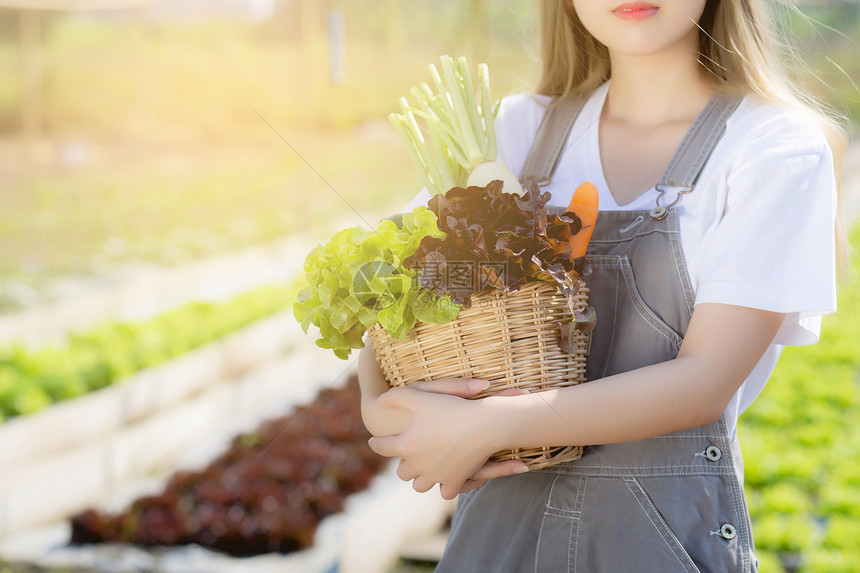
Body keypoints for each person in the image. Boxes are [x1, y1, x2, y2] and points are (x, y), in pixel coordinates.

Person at [358, 1, 847, 571]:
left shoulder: (772, 148)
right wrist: (378, 403)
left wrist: (498, 421)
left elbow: (704, 381)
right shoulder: (513, 132)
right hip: (496, 538)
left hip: (658, 540)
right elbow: (398, 307)